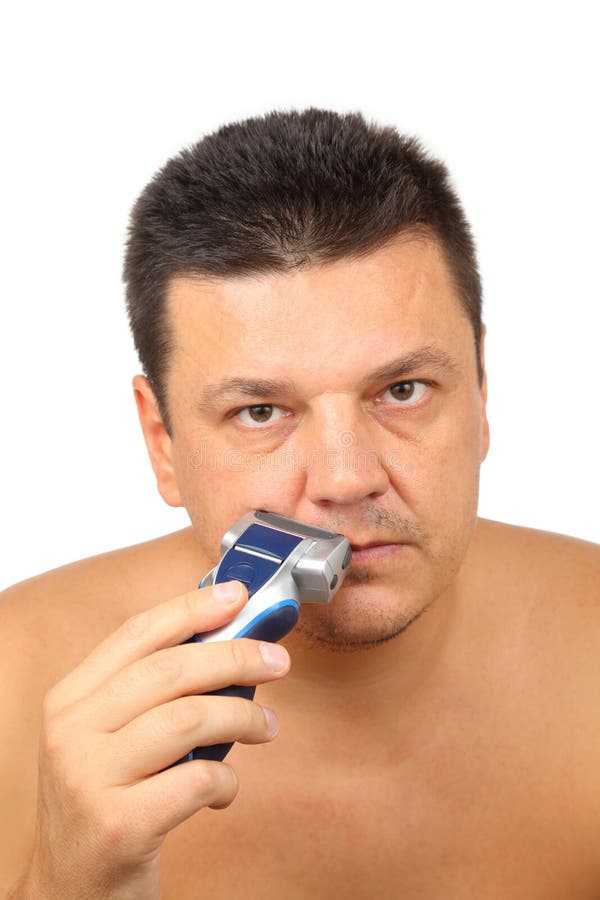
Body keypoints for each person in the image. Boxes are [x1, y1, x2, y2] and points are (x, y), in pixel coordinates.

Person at [2, 108, 599, 899]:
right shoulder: (14, 683)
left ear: (482, 393)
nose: (346, 478)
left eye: (403, 390)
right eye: (260, 412)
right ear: (163, 441)